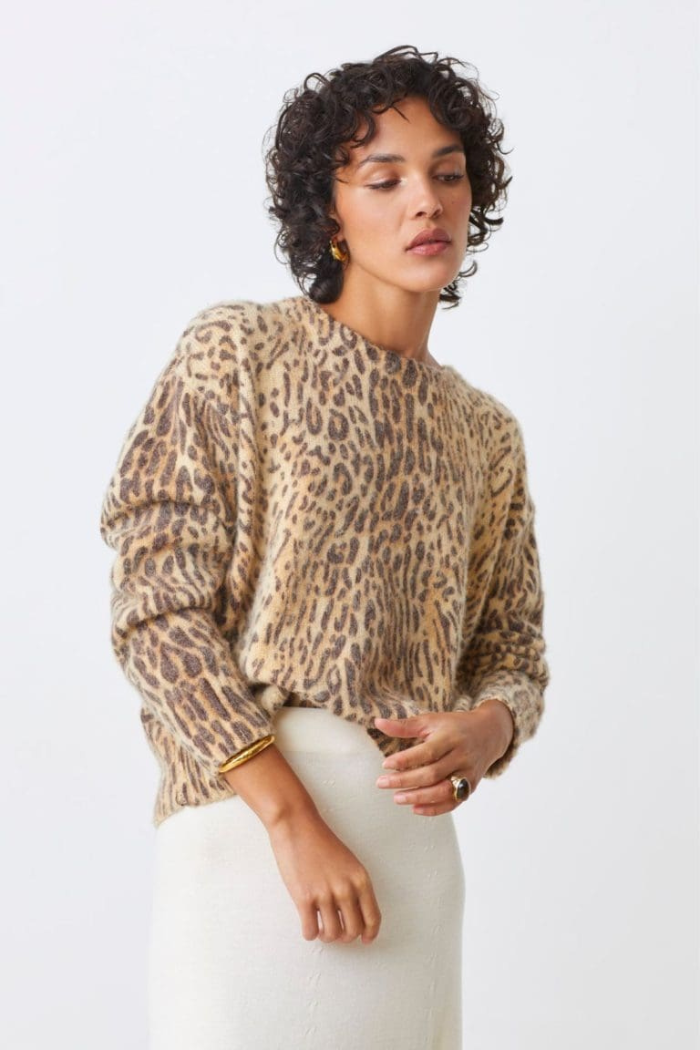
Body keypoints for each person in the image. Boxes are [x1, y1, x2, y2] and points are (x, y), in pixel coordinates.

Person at [99, 44, 550, 1050]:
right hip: (253, 831)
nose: (425, 201)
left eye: (446, 173)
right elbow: (157, 612)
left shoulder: (484, 433)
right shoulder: (240, 353)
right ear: (329, 213)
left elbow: (513, 652)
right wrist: (290, 821)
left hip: (413, 852)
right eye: (383, 180)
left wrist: (487, 730)